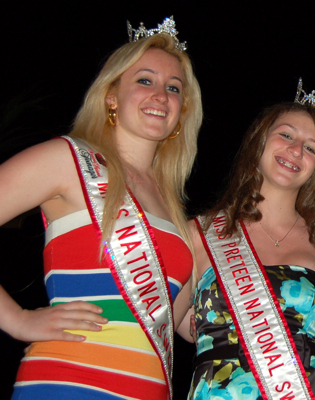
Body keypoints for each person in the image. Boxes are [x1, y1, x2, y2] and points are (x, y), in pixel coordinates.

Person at [0, 17, 203, 399]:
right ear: (111, 95)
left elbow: (165, 321)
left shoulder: (172, 208)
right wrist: (18, 319)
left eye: (173, 88)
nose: (161, 95)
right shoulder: (68, 159)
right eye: (145, 80)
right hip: (68, 384)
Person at [181, 82, 315, 400]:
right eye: (286, 135)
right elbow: (157, 321)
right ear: (259, 140)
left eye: (311, 148)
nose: (297, 150)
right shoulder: (199, 232)